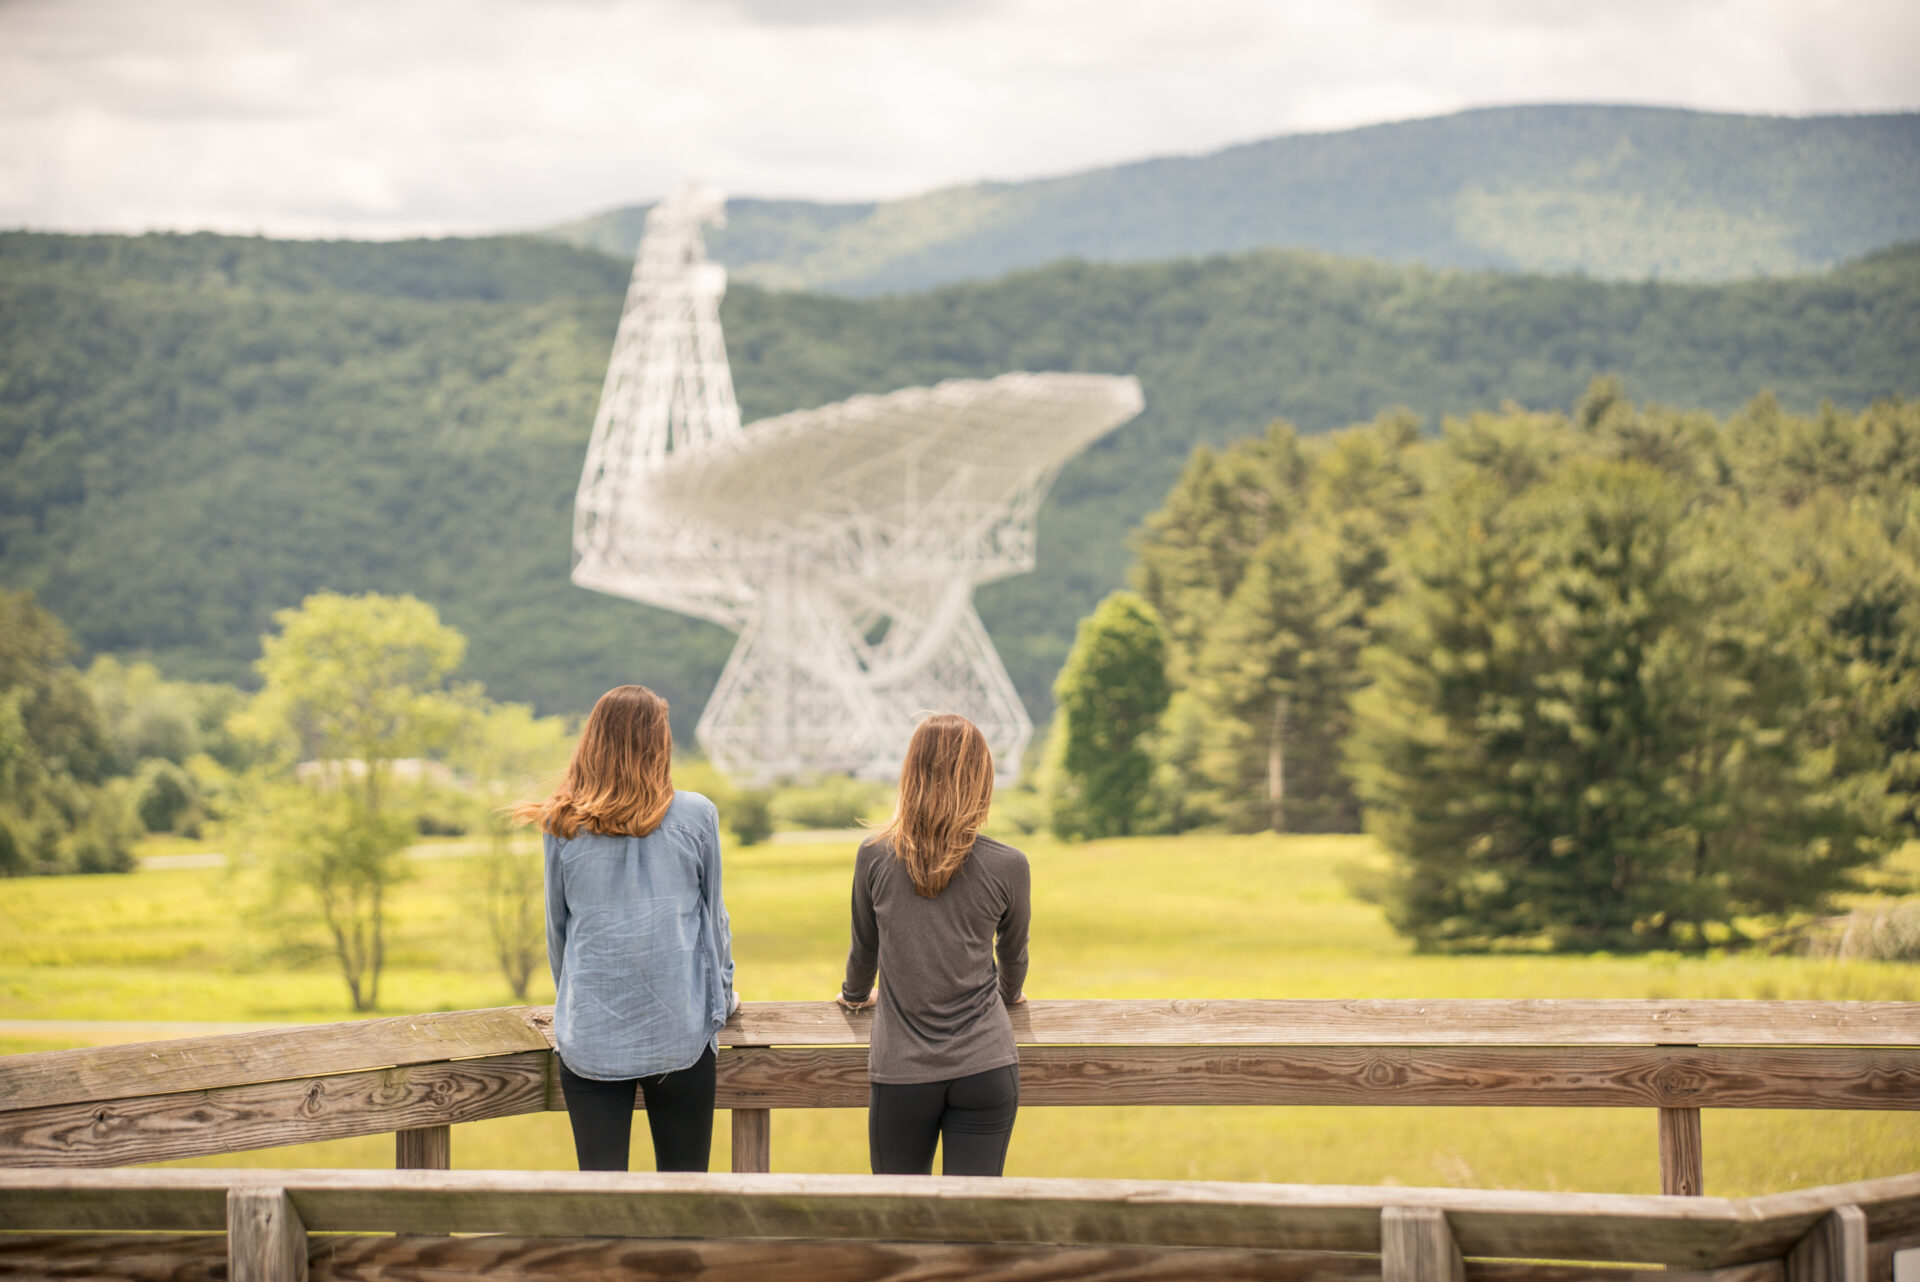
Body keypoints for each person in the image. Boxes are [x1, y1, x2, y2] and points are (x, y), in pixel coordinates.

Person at [516, 684, 736, 1172]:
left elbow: (559, 930)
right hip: (681, 1030)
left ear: (593, 742)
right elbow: (713, 921)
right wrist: (723, 998)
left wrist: (573, 1002)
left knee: (601, 1200)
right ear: (659, 743)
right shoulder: (697, 815)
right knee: (685, 1194)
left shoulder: (562, 824)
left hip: (591, 1032)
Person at [836, 713, 1031, 1177]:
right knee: (974, 1220)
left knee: (900, 1220)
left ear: (911, 775)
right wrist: (1010, 994)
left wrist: (854, 996)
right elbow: (1014, 955)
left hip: (901, 1071)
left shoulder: (874, 856)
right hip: (986, 1064)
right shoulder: (1009, 865)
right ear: (981, 780)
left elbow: (864, 951)